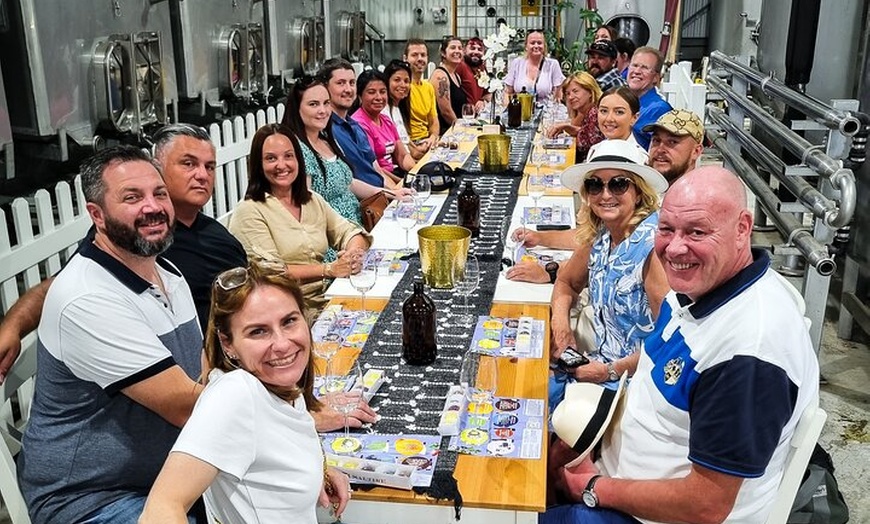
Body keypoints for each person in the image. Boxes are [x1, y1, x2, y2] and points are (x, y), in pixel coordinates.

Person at [544, 166, 820, 524]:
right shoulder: (698, 289)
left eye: (696, 232)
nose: (674, 247)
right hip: (619, 472)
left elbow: (705, 505)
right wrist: (589, 444)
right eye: (666, 229)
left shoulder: (750, 353)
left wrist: (595, 488)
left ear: (743, 229)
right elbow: (649, 380)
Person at [18, 146, 205, 524]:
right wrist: (285, 410)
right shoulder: (88, 299)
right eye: (132, 198)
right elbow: (186, 406)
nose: (153, 207)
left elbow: (202, 372)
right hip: (93, 500)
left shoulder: (167, 274)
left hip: (171, 473)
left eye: (159, 193)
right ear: (96, 215)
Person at [139, 263, 351, 523]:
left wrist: (317, 471)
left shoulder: (275, 384)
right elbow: (162, 507)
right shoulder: (236, 393)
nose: (283, 344)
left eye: (289, 321)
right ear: (228, 344)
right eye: (258, 331)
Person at [548, 140, 669, 406]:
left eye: (618, 184)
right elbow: (567, 282)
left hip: (637, 384)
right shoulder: (603, 233)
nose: (605, 194)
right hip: (599, 365)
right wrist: (561, 328)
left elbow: (668, 339)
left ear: (638, 192)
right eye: (595, 185)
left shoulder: (653, 249)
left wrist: (610, 371)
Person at [228, 124, 371, 318]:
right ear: (258, 165)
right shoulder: (250, 210)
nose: (281, 165)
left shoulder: (312, 199)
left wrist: (352, 255)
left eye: (288, 156)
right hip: (287, 313)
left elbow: (350, 232)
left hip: (330, 300)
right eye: (271, 158)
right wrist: (328, 269)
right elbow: (270, 273)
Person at [281, 77, 377, 231]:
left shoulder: (326, 140)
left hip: (358, 227)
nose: (323, 111)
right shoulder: (297, 150)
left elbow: (349, 183)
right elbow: (305, 210)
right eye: (313, 104)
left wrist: (389, 193)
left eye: (326, 103)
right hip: (333, 240)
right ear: (297, 108)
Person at [316, 58, 403, 190]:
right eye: (340, 83)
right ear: (325, 87)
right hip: (365, 201)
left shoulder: (355, 126)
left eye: (352, 83)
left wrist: (397, 193)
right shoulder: (325, 130)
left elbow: (377, 171)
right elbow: (348, 183)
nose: (348, 89)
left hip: (383, 196)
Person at [352, 69, 416, 176]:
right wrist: (400, 184)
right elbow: (374, 168)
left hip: (396, 174)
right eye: (372, 92)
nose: (379, 97)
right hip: (379, 180)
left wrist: (416, 173)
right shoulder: (359, 124)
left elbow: (402, 155)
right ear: (359, 96)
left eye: (382, 92)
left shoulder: (386, 120)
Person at [546, 72, 604, 162]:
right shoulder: (587, 111)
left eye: (575, 91)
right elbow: (587, 133)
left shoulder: (594, 113)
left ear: (590, 92)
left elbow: (584, 145)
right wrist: (568, 127)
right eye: (567, 93)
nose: (570, 97)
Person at [627, 47, 672, 149]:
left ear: (656, 78)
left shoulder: (658, 109)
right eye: (634, 65)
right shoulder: (623, 101)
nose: (637, 71)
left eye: (645, 67)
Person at [644, 109, 705, 184]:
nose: (660, 150)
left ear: (696, 151)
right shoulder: (637, 190)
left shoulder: (703, 194)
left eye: (672, 142)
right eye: (656, 140)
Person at [504, 30, 565, 103]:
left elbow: (558, 95)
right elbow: (507, 92)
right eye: (532, 43)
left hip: (546, 111)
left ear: (544, 46)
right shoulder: (517, 63)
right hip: (520, 110)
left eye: (539, 43)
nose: (536, 46)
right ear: (526, 46)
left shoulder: (553, 64)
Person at [403, 39, 440, 156]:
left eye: (423, 55)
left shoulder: (428, 87)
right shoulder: (403, 88)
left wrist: (433, 137)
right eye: (414, 55)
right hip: (410, 145)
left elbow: (433, 120)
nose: (420, 59)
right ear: (405, 58)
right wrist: (415, 148)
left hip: (428, 141)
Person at [430, 35, 469, 133]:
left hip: (457, 127)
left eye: (460, 48)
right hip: (446, 132)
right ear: (443, 53)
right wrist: (461, 130)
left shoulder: (456, 76)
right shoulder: (440, 76)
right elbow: (446, 111)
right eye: (453, 48)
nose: (457, 51)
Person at [382, 59, 415, 157]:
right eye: (397, 80)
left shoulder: (399, 108)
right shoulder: (384, 111)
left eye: (406, 81)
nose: (403, 85)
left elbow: (406, 142)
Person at [455, 36, 489, 110]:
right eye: (472, 48)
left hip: (478, 115)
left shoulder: (482, 68)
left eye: (480, 49)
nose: (476, 52)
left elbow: (488, 93)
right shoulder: (460, 66)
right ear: (464, 50)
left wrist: (482, 101)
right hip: (462, 115)